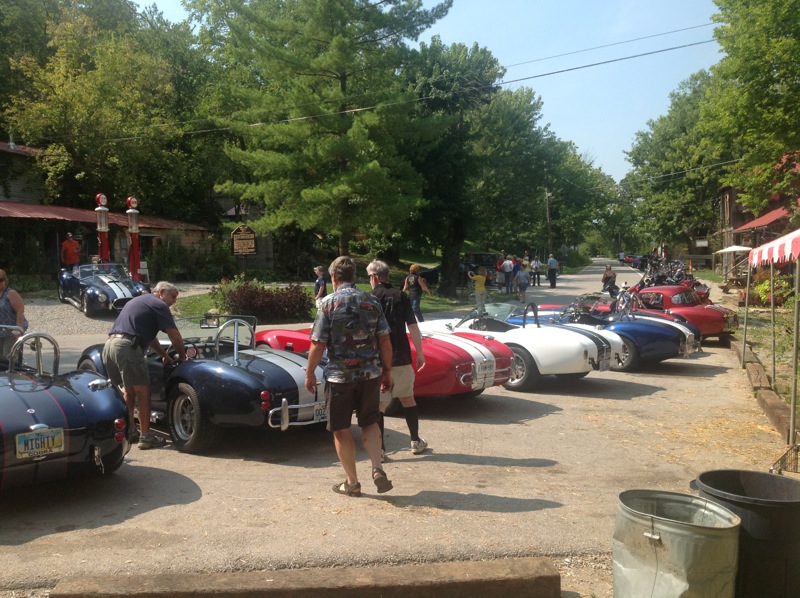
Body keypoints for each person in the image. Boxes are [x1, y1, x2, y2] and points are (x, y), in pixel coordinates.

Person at [305, 256, 393, 497]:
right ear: (354, 276)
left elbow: (318, 344)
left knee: (341, 428)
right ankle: (377, 468)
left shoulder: (328, 303)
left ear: (333, 277)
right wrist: (387, 371)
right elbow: (385, 340)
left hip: (339, 378)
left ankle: (352, 483)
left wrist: (310, 373)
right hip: (370, 375)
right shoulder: (372, 301)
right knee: (370, 422)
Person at [102, 281, 186, 449]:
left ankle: (130, 431)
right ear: (161, 292)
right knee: (143, 391)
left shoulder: (139, 301)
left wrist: (164, 355)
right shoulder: (159, 305)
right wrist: (183, 357)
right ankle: (146, 436)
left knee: (129, 390)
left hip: (110, 346)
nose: (174, 301)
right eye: (173, 296)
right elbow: (174, 335)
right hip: (127, 347)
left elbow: (150, 338)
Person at [367, 260, 428, 461]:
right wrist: (420, 353)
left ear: (374, 277)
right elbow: (413, 326)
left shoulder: (369, 298)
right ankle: (415, 441)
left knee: (380, 405)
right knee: (408, 398)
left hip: (377, 360)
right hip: (401, 356)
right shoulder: (401, 296)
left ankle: (380, 449)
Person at [0, 269, 26, 363]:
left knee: (9, 359)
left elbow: (20, 312)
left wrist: (18, 329)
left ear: (5, 280)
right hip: (0, 330)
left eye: (1, 280)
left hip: (11, 332)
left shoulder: (11, 293)